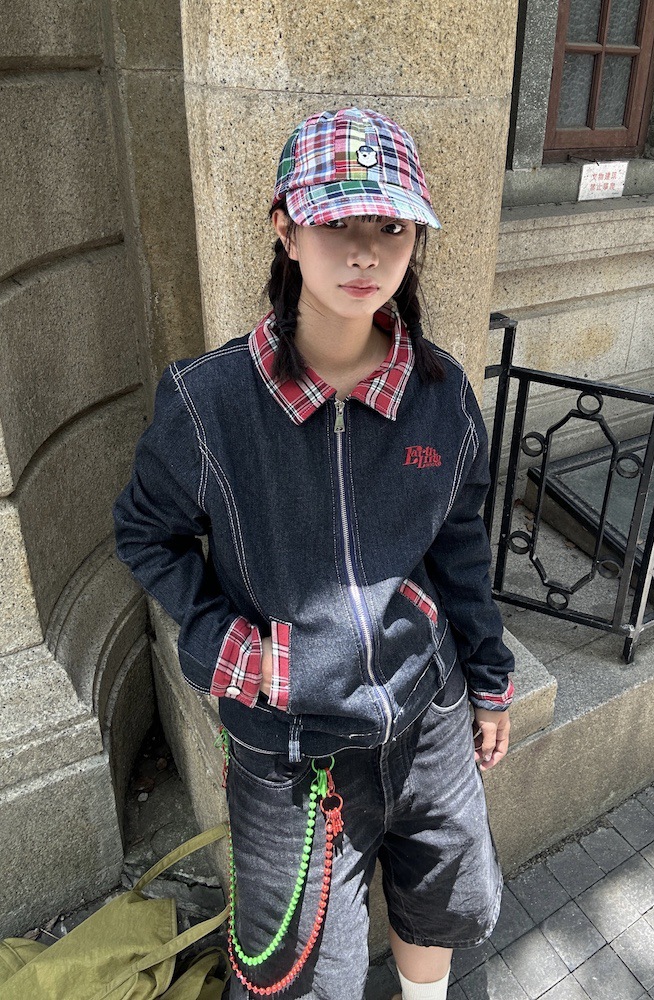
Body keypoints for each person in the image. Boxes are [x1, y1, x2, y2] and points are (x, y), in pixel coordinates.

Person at [113, 107, 515, 1000]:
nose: (366, 252)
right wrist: (230, 647)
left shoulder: (441, 398)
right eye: (339, 224)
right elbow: (145, 530)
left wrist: (488, 681)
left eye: (391, 227)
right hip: (289, 753)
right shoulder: (211, 403)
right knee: (302, 975)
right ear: (286, 230)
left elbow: (459, 550)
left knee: (443, 900)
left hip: (429, 718)